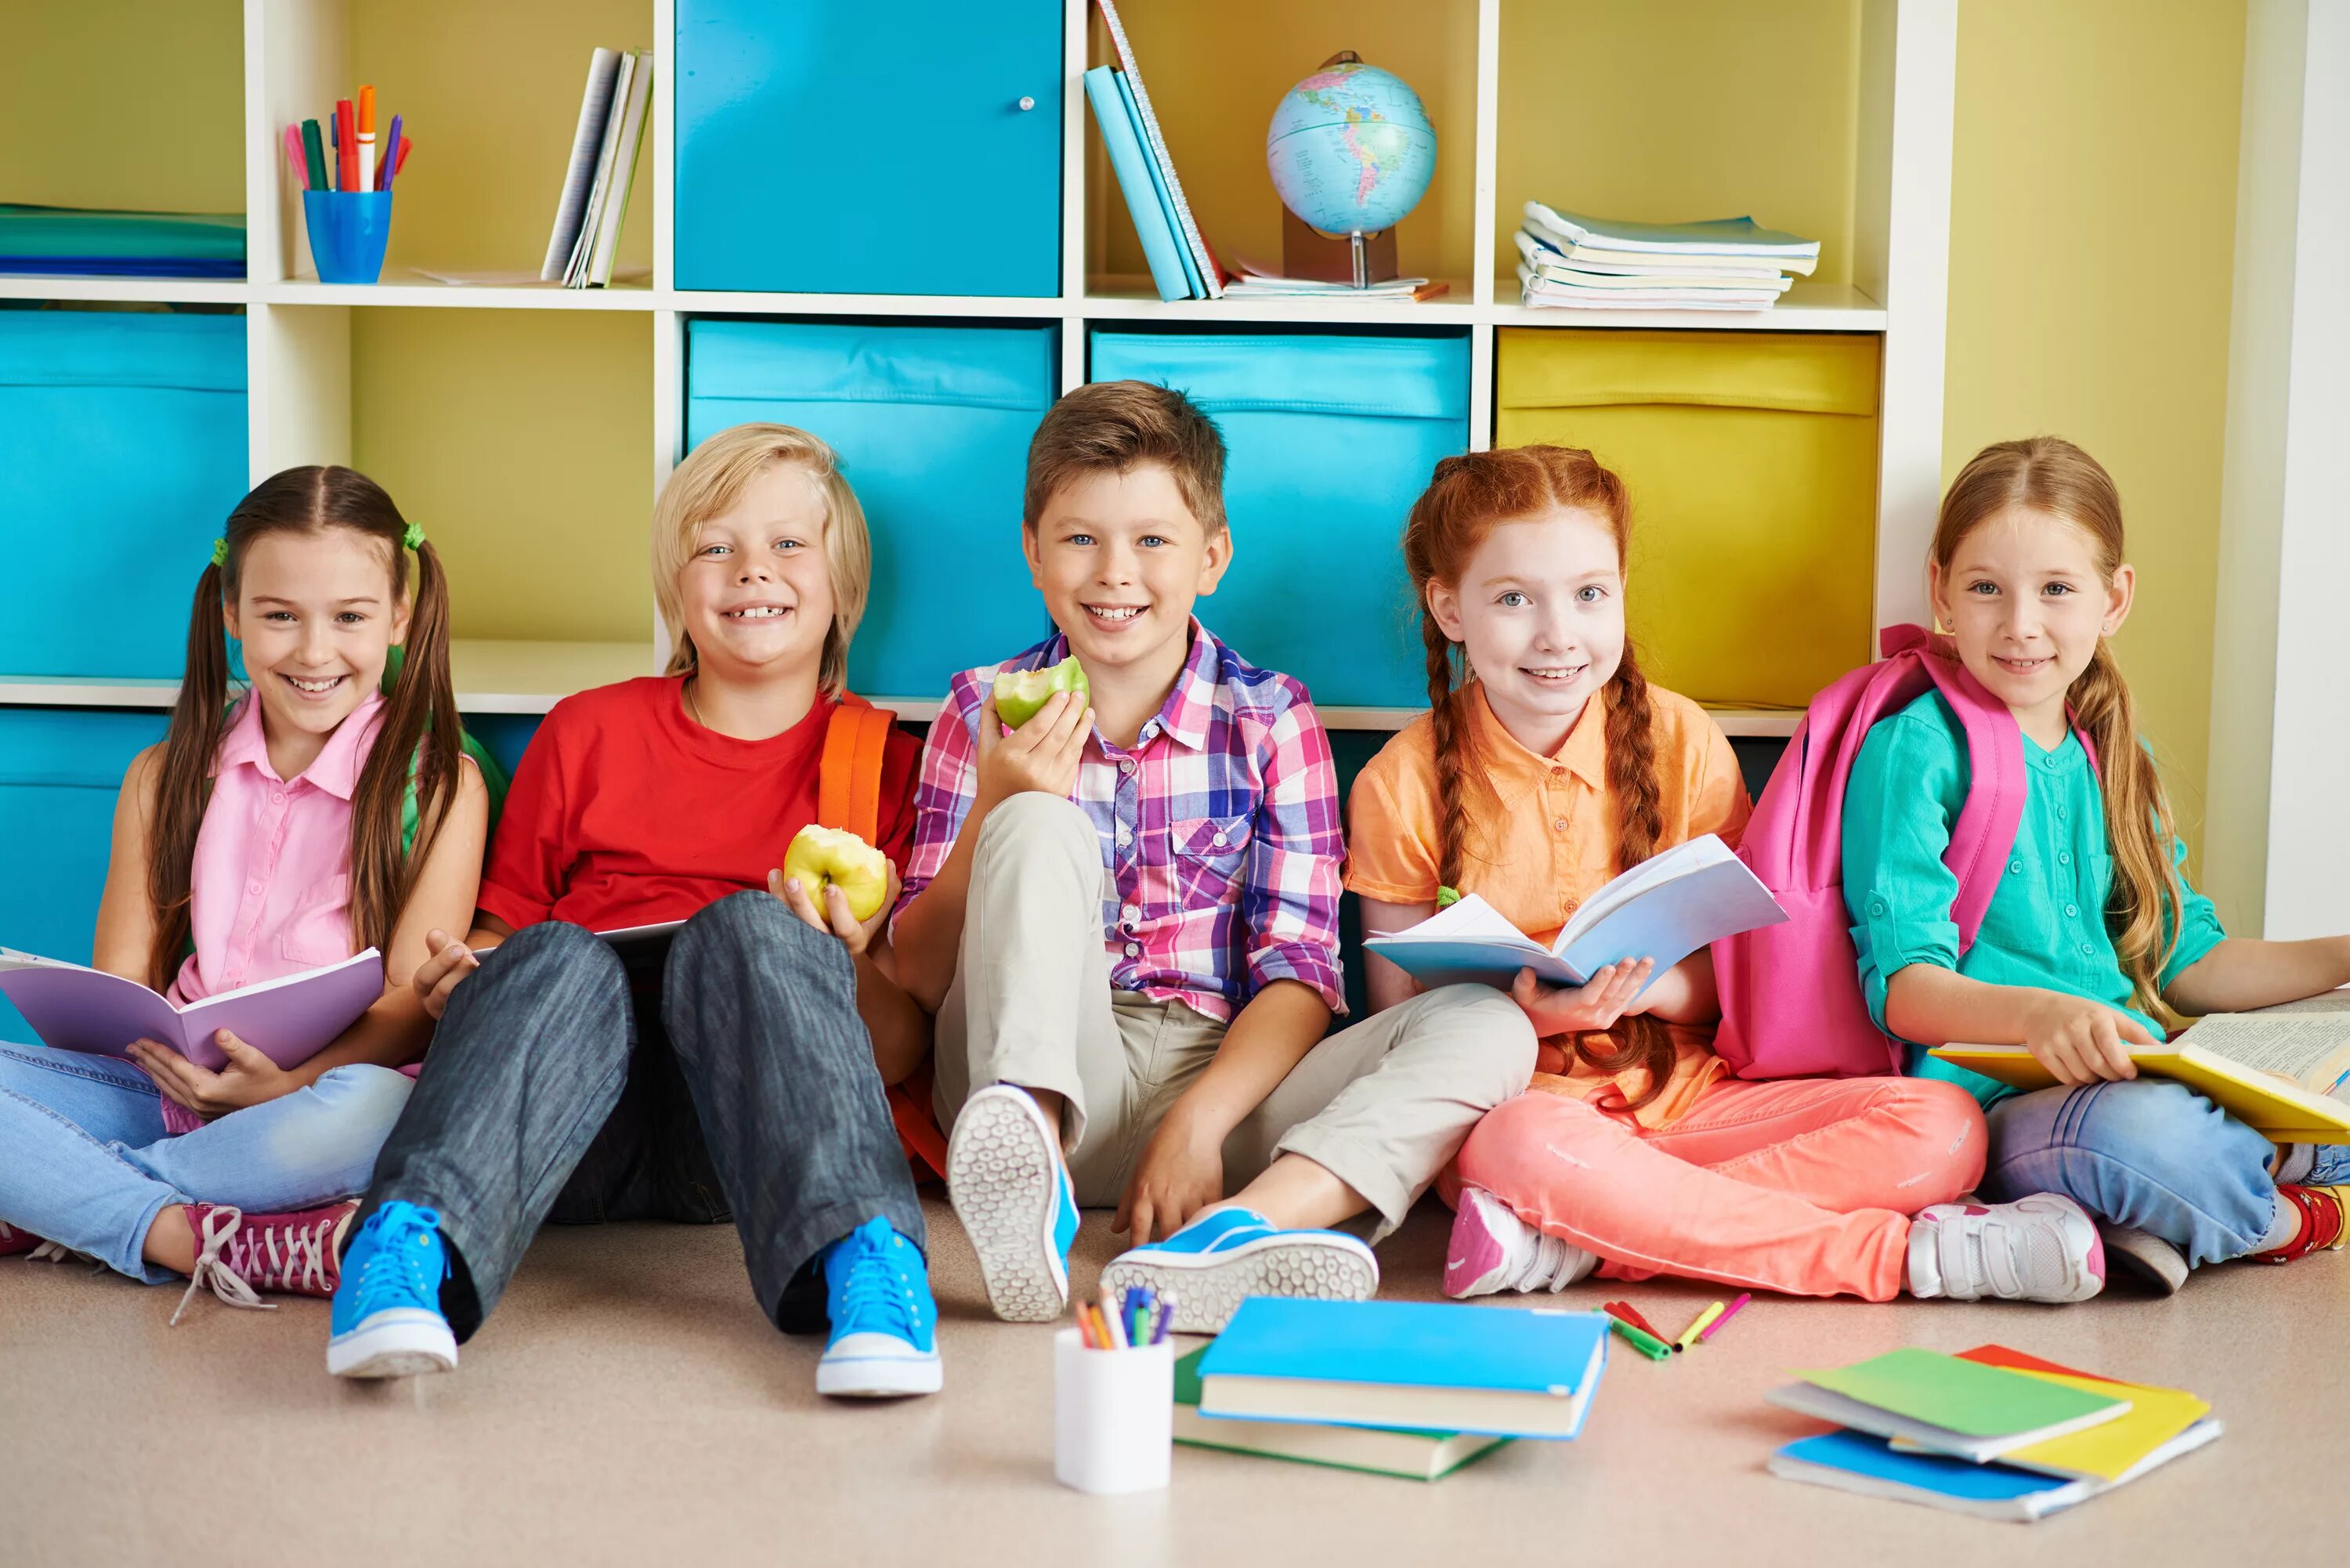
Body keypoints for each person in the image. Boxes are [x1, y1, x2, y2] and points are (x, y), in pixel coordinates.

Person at [891, 381, 1532, 1334]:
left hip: (1225, 1091)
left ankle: (1228, 1239)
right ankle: (1028, 1181)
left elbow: (1301, 970)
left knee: (1490, 1025)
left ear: (1212, 556)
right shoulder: (980, 707)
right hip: (1033, 1061)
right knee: (1037, 824)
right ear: (1033, 551)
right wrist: (997, 800)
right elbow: (920, 975)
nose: (1116, 572)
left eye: (1152, 539)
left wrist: (1199, 1124)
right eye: (1080, 539)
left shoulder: (1273, 720)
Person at [325, 424, 943, 1396]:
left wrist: (836, 958)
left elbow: (902, 1054)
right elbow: (503, 928)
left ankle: (870, 1260)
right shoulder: (589, 728)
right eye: (715, 545)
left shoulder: (884, 765)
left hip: (742, 1139)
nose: (753, 571)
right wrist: (471, 976)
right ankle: (404, 1249)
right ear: (675, 583)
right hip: (564, 1116)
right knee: (558, 953)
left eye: (789, 545)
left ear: (841, 585)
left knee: (751, 927)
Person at [1415, 447, 2104, 1306]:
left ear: (1621, 590)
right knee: (1514, 1145)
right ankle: (1904, 1260)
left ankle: (1595, 1232)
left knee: (1944, 1127)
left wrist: (1655, 989)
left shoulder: (1684, 741)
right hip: (1537, 1109)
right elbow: (1408, 1023)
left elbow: (1745, 976)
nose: (1558, 632)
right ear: (1450, 607)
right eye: (1515, 599)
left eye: (1590, 593)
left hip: (1700, 1102)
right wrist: (1535, 1010)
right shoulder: (1400, 782)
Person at [1841, 435, 2350, 1293]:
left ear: (2113, 600)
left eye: (2056, 590)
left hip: (2137, 1066)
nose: (2020, 624)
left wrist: (2342, 958)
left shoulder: (2114, 753)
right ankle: (2288, 1212)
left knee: (2202, 1108)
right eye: (1985, 589)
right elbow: (1904, 988)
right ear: (1941, 592)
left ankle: (2178, 1208)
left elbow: (2187, 964)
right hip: (2002, 1107)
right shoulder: (1915, 752)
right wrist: (2040, 1017)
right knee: (2153, 1141)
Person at [0, 467, 488, 1323]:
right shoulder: (164, 775)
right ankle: (192, 1234)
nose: (312, 651)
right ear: (231, 615)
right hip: (156, 1091)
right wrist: (155, 1054)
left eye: (350, 616)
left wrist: (279, 1084)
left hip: (318, 1097)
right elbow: (122, 984)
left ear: (400, 617)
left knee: (382, 1116)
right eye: (278, 615)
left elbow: (411, 1004)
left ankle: (59, 1200)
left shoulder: (444, 783)